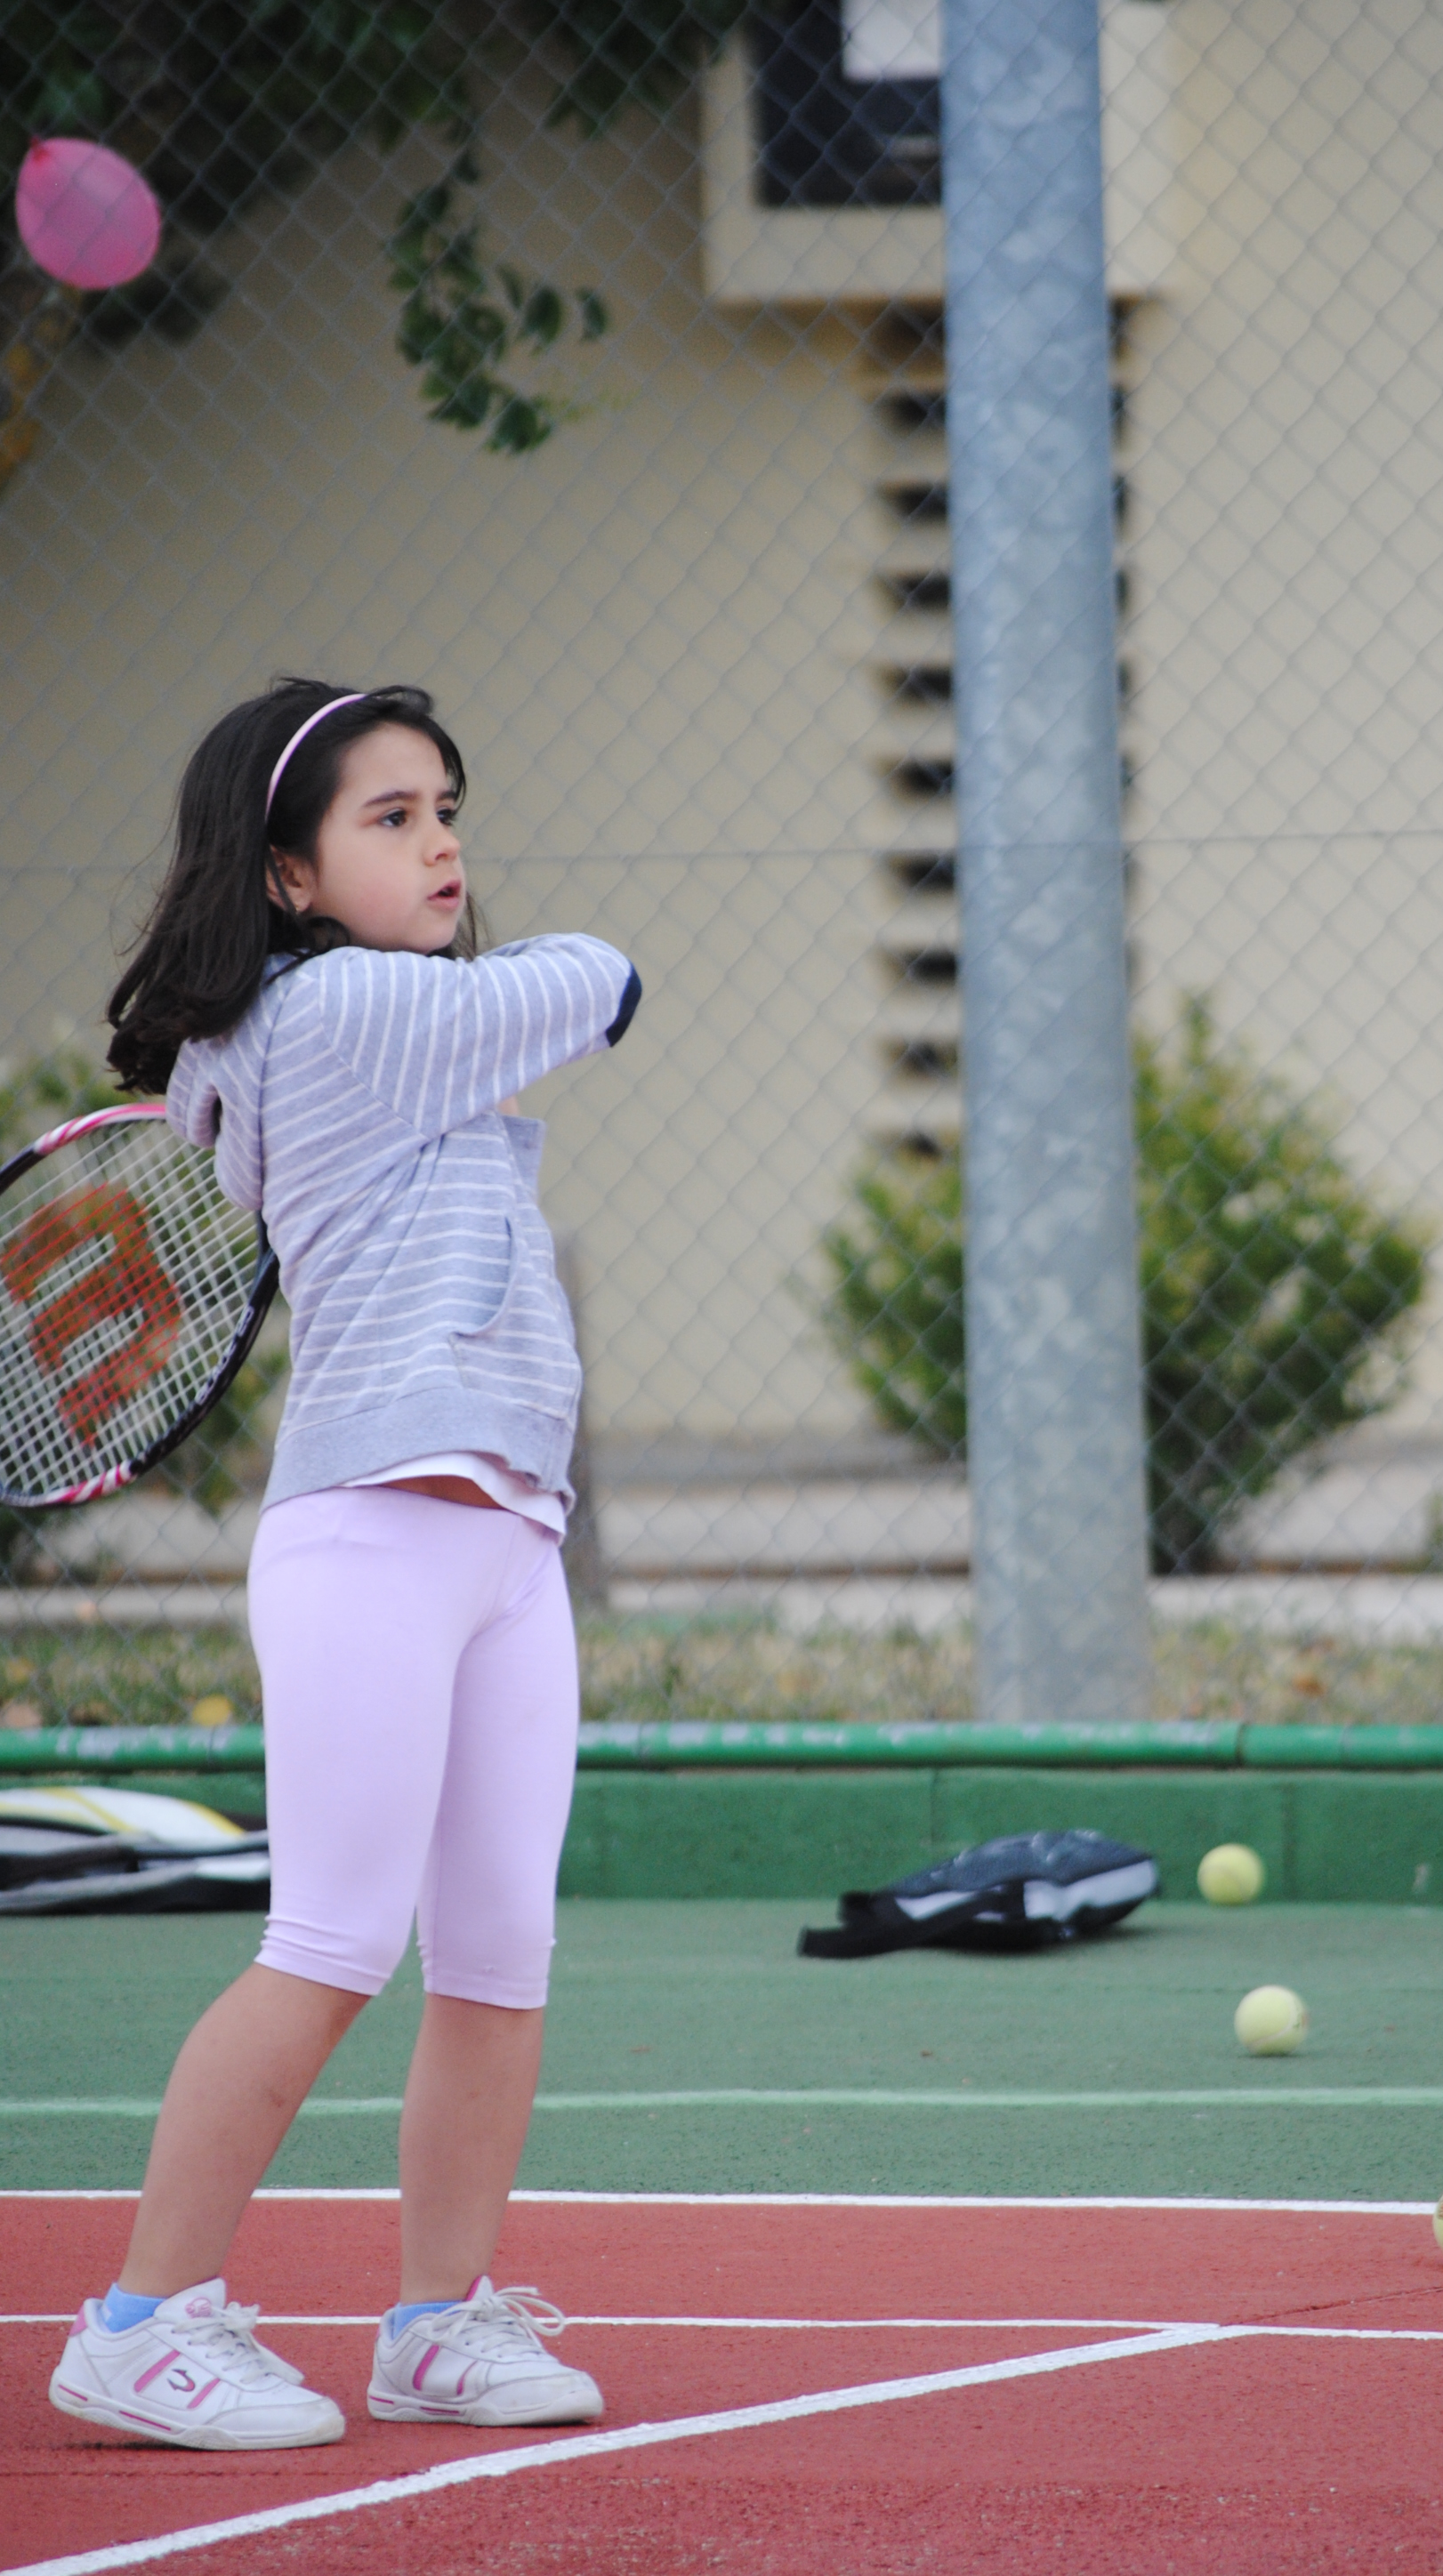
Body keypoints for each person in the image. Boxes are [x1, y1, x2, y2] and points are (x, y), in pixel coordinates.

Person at [48, 679, 640, 2451]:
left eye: (447, 807)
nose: (442, 841)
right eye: (392, 817)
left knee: (499, 1952)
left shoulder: (352, 1018)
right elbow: (599, 977)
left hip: (505, 1533)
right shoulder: (347, 1008)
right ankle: (140, 2323)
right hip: (375, 1530)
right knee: (331, 1939)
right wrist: (535, 969)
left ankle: (438, 2325)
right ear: (288, 874)